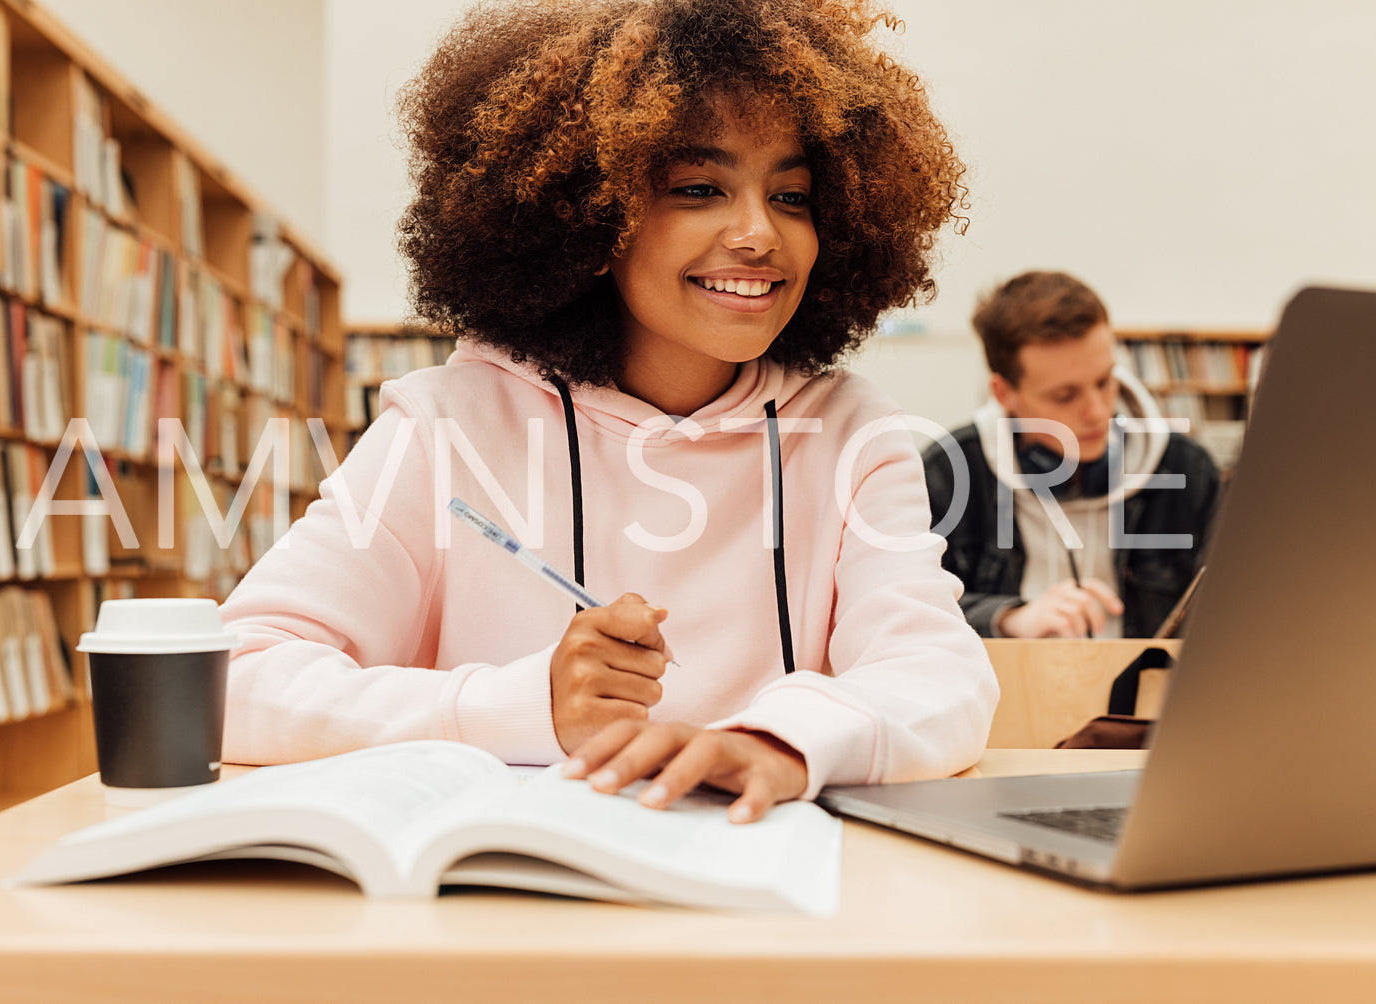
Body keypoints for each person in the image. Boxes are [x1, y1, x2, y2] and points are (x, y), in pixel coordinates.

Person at [220, 0, 997, 823]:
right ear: (587, 216)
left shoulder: (850, 431)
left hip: (762, 889)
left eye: (792, 196)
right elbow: (236, 675)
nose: (758, 234)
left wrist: (779, 743)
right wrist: (523, 707)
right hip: (513, 899)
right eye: (698, 189)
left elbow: (939, 674)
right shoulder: (447, 423)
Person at [922, 271, 1220, 639]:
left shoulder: (1186, 469)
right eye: (1065, 396)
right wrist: (1007, 620)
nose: (1097, 412)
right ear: (1003, 393)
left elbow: (1233, 610)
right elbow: (910, 607)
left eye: (1104, 381)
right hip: (1010, 690)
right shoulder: (947, 474)